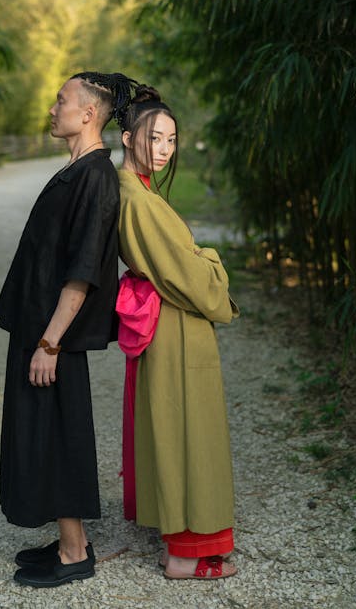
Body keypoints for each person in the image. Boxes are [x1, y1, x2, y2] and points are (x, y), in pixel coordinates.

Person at [0, 71, 136, 588]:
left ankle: (75, 553)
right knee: (42, 432)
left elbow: (83, 269)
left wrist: (50, 343)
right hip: (39, 328)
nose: (53, 109)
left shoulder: (97, 176)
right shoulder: (77, 169)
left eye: (61, 100)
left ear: (88, 114)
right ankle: (68, 538)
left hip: (55, 335)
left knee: (59, 433)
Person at [115, 85, 239, 580]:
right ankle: (185, 555)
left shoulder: (138, 190)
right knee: (188, 432)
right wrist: (212, 263)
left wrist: (195, 260)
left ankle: (187, 545)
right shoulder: (137, 199)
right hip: (175, 326)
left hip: (172, 322)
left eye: (171, 139)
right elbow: (185, 274)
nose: (164, 149)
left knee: (179, 429)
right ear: (127, 138)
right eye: (154, 138)